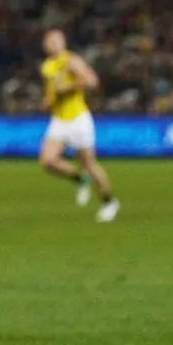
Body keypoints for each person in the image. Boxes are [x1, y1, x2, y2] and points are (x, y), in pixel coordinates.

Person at [38, 28, 120, 222]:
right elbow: (52, 92)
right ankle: (80, 180)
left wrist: (67, 87)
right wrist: (48, 101)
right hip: (59, 119)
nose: (52, 44)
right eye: (49, 41)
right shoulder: (47, 66)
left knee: (89, 163)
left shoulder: (71, 61)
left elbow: (91, 81)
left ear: (63, 42)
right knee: (47, 161)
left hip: (77, 119)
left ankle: (109, 201)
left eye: (56, 41)